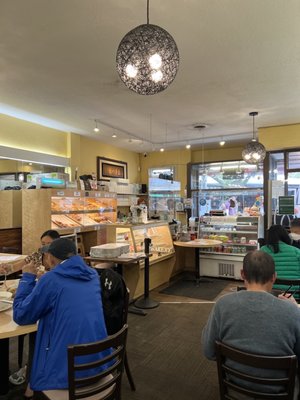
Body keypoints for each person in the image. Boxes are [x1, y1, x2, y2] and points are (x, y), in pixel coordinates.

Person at [13, 238, 109, 391]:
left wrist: (27, 278)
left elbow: (21, 316)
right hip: (99, 363)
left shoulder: (51, 280)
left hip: (67, 374)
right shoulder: (92, 275)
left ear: (50, 258)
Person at [202, 250, 300, 397]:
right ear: (274, 277)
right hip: (279, 392)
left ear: (242, 274)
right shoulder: (293, 313)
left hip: (235, 388)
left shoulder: (222, 305)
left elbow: (208, 351)